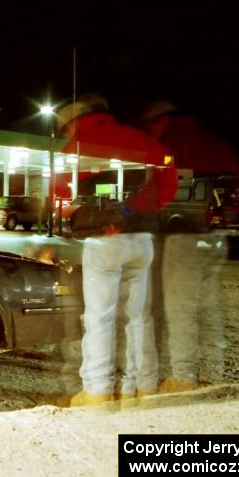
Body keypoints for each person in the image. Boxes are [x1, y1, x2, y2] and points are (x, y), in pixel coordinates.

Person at [58, 94, 177, 407]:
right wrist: (143, 211)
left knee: (100, 316)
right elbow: (168, 177)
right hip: (143, 238)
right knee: (139, 316)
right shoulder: (142, 139)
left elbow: (60, 190)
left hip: (103, 240)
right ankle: (141, 386)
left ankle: (97, 389)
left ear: (73, 123)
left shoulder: (79, 145)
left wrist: (69, 210)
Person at [141, 101, 239, 392]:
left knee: (180, 308)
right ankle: (214, 373)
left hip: (182, 237)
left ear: (162, 120)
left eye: (152, 124)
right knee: (208, 308)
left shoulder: (170, 145)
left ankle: (183, 377)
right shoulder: (216, 141)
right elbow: (237, 181)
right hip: (216, 238)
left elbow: (155, 191)